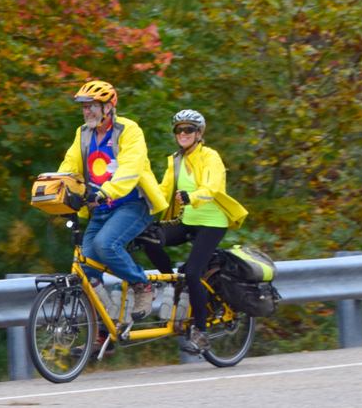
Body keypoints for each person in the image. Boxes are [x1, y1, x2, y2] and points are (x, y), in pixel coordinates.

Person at [139, 109, 248, 353]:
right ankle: (172, 284)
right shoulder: (175, 161)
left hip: (212, 222)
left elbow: (213, 188)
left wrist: (192, 196)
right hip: (187, 220)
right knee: (149, 236)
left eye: (189, 129)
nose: (183, 133)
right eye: (179, 129)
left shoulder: (210, 157)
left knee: (194, 273)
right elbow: (162, 191)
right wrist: (137, 195)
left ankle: (201, 331)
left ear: (199, 133)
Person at [58, 80, 168, 319]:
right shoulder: (83, 133)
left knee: (105, 245)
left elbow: (130, 168)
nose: (86, 111)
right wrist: (59, 188)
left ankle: (143, 285)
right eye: (84, 107)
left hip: (132, 204)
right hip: (99, 209)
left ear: (108, 107)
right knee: (87, 268)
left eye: (92, 106)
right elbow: (70, 165)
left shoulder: (129, 130)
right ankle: (104, 327)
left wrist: (106, 192)